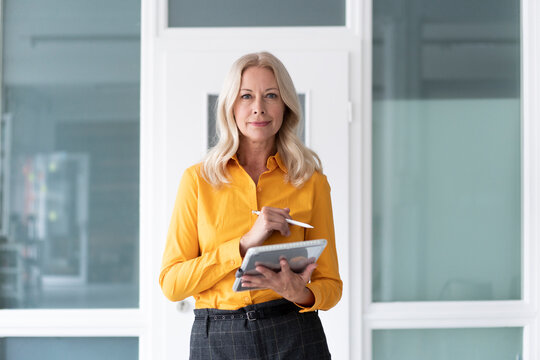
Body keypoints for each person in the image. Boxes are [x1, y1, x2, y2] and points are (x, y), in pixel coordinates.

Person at [159, 51, 342, 360]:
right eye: (246, 96)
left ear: (285, 105)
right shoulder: (197, 181)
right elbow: (172, 284)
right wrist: (242, 246)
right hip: (218, 338)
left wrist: (301, 293)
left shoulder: (312, 182)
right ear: (231, 105)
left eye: (271, 95)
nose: (258, 108)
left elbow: (331, 285)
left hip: (295, 331)